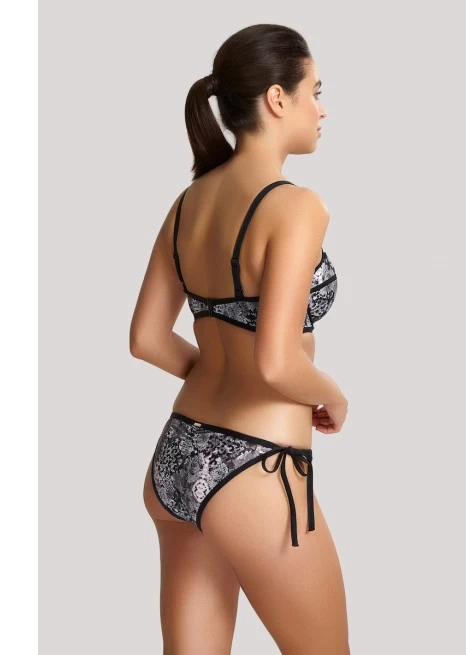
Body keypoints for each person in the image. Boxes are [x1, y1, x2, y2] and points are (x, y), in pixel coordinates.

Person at [130, 23, 350, 655]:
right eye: (315, 91)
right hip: (257, 467)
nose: (322, 108)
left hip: (176, 458)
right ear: (278, 98)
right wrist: (333, 395)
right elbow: (277, 362)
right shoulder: (296, 206)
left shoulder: (187, 203)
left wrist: (217, 372)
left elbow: (147, 338)